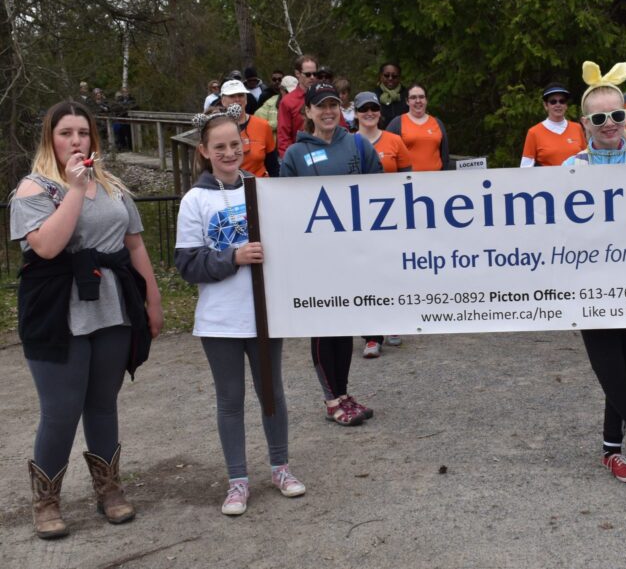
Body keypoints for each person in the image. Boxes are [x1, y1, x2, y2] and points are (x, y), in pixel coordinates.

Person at [10, 100, 163, 539]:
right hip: (57, 311)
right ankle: (46, 500)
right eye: (66, 133)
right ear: (50, 139)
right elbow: (47, 248)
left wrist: (152, 298)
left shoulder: (112, 185)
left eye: (83, 133)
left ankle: (109, 490)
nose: (76, 141)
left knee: (102, 403)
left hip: (113, 307)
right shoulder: (33, 189)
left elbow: (134, 246)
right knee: (61, 411)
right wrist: (74, 189)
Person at [175, 104, 306, 516]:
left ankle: (280, 467)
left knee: (272, 393)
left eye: (236, 144)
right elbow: (187, 264)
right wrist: (232, 257)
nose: (230, 153)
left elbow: (286, 247)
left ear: (245, 144)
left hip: (265, 315)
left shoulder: (263, 189)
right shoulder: (194, 200)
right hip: (220, 320)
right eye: (220, 147)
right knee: (230, 399)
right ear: (204, 151)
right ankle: (237, 480)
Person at [562, 61, 626, 484]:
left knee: (622, 370)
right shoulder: (572, 169)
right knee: (607, 368)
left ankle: (610, 448)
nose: (610, 124)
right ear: (585, 122)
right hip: (590, 284)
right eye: (600, 117)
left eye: (617, 115)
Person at [281, 83, 384, 424]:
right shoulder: (296, 154)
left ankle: (343, 393)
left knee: (346, 322)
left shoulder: (357, 144)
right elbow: (286, 207)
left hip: (353, 254)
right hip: (316, 258)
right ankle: (331, 400)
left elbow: (381, 193)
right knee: (324, 324)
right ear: (308, 111)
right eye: (320, 106)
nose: (328, 111)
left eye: (333, 105)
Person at [353, 91, 411, 354]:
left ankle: (394, 320)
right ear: (355, 113)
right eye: (363, 108)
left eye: (373, 108)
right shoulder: (348, 143)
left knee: (391, 270)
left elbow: (408, 180)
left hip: (391, 218)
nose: (369, 113)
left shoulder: (395, 141)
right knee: (365, 274)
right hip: (358, 218)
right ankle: (371, 337)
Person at [218, 80, 278, 178]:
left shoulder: (263, 125)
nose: (237, 99)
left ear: (246, 99)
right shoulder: (216, 128)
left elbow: (273, 165)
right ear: (223, 101)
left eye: (241, 95)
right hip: (228, 187)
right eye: (232, 96)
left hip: (258, 186)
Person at [519, 82, 586, 167]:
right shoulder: (533, 132)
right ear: (546, 105)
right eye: (553, 101)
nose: (558, 105)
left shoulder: (577, 127)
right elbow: (526, 167)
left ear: (566, 105)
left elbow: (586, 159)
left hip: (576, 179)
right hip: (547, 180)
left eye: (562, 101)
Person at [386, 84, 449, 171]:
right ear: (407, 101)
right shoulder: (397, 123)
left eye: (421, 97)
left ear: (426, 100)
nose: (418, 100)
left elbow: (444, 155)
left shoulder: (437, 123)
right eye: (413, 97)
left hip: (436, 179)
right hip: (409, 181)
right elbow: (387, 153)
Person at [277, 54, 319, 157]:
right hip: (299, 156)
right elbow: (283, 137)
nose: (312, 77)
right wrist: (290, 160)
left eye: (315, 74)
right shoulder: (287, 101)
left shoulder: (325, 96)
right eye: (308, 74)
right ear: (297, 73)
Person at [374, 62, 409, 130]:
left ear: (399, 77)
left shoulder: (408, 95)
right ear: (381, 76)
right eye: (386, 75)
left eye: (394, 76)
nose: (390, 78)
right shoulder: (373, 96)